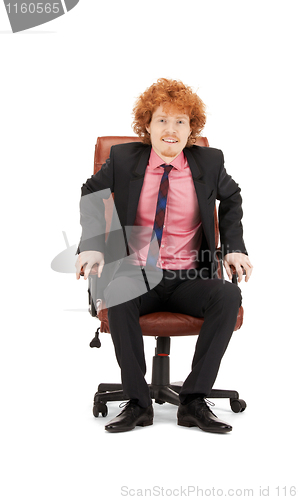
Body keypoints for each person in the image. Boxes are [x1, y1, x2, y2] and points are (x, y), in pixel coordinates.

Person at [76, 78, 253, 433]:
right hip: (136, 274)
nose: (171, 130)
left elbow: (232, 199)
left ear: (192, 129)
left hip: (190, 277)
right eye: (162, 120)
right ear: (147, 125)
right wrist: (92, 243)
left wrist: (233, 248)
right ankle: (137, 403)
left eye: (180, 122)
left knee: (228, 295)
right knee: (119, 292)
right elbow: (90, 192)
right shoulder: (124, 159)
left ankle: (193, 401)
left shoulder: (209, 161)